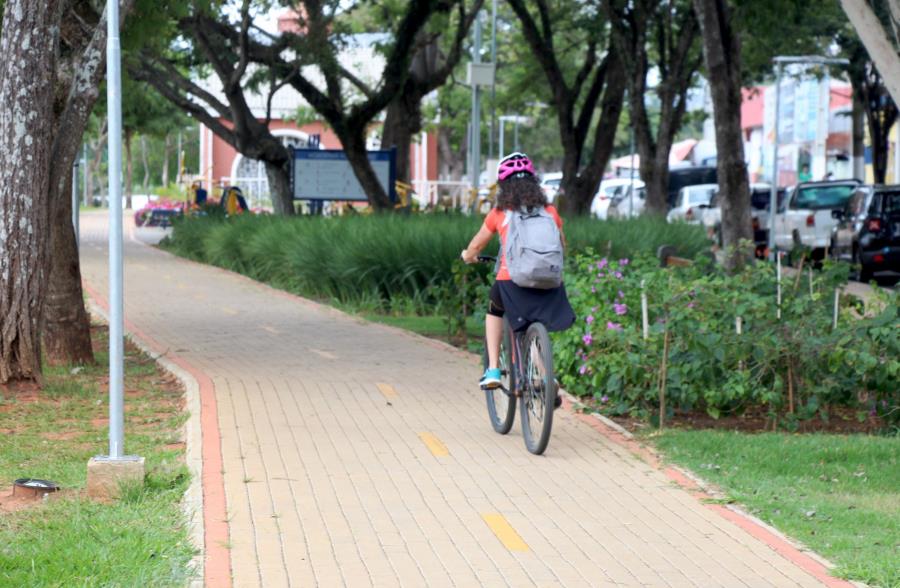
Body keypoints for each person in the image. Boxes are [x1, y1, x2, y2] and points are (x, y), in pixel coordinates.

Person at [460, 152, 575, 390]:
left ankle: (492, 369)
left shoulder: (499, 213)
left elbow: (477, 245)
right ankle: (545, 376)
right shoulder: (550, 212)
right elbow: (562, 246)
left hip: (512, 282)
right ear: (534, 183)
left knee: (495, 307)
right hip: (549, 283)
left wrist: (468, 256)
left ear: (504, 186)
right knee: (532, 323)